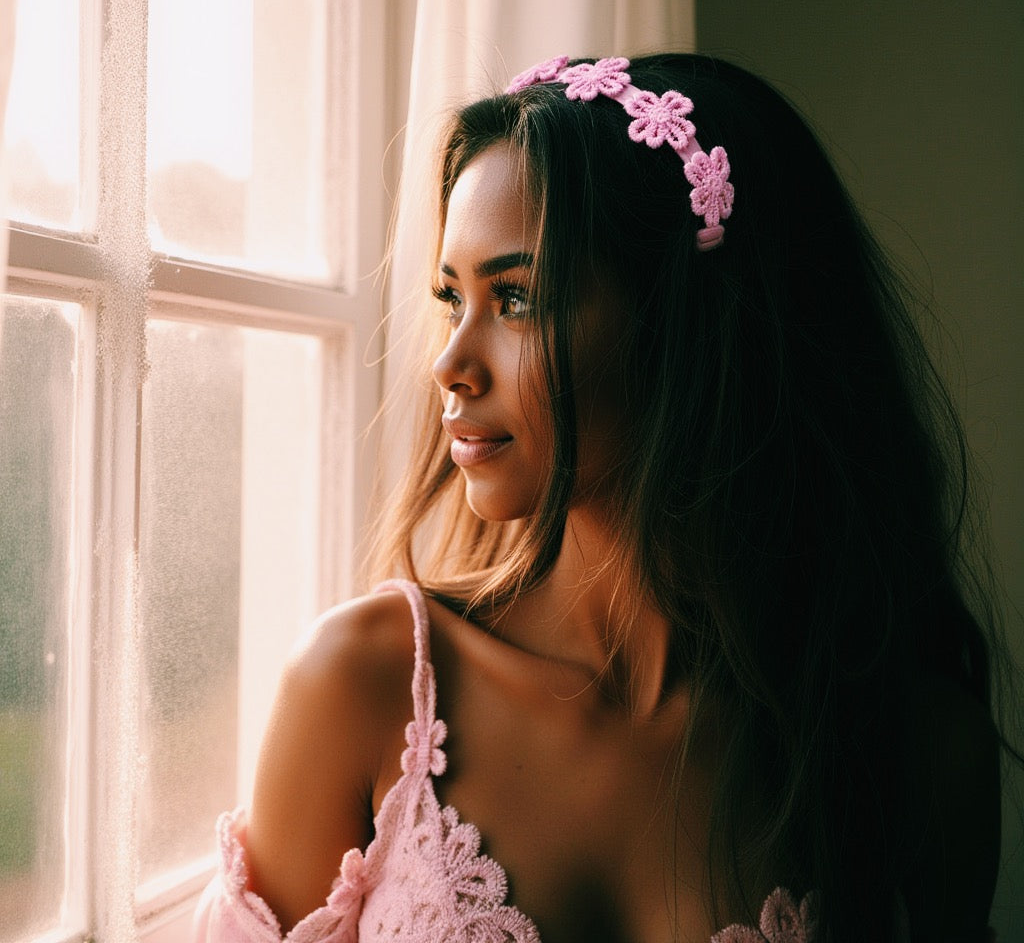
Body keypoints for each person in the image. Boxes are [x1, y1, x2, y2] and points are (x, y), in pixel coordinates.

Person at [192, 54, 1015, 943]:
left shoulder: (922, 756)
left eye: (517, 298)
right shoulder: (365, 688)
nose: (450, 364)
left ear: (690, 326)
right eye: (450, 297)